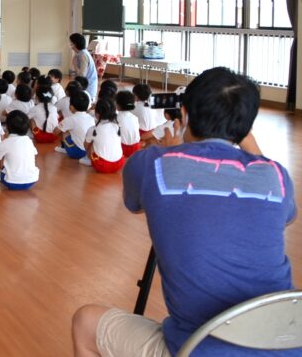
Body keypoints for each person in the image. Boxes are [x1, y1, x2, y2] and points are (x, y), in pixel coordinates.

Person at [71, 67, 295, 357]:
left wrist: (171, 150)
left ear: (185, 114)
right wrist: (247, 139)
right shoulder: (276, 175)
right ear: (247, 125)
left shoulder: (152, 163)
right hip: (288, 344)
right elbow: (287, 215)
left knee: (85, 322)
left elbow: (134, 204)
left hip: (198, 348)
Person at [0, 111, 39, 190]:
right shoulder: (29, 140)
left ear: (7, 127)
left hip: (11, 182)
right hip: (32, 180)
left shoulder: (5, 143)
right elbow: (34, 154)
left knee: (0, 157)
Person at [83, 97, 125, 173]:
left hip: (103, 166)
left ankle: (89, 159)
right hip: (119, 163)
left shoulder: (94, 129)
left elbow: (86, 145)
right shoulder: (117, 126)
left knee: (91, 142)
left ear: (97, 114)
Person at [56, 91, 94, 160]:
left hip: (77, 152)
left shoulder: (70, 119)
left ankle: (63, 147)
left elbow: (55, 132)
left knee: (64, 130)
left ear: (71, 107)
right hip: (89, 151)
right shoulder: (91, 118)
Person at [69, 33, 98, 101]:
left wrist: (75, 65)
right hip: (86, 86)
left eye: (71, 42)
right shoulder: (82, 53)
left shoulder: (82, 55)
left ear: (75, 44)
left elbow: (82, 75)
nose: (70, 45)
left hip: (88, 88)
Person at [115, 90, 141, 157]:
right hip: (136, 148)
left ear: (118, 105)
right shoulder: (135, 117)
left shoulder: (116, 118)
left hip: (123, 148)